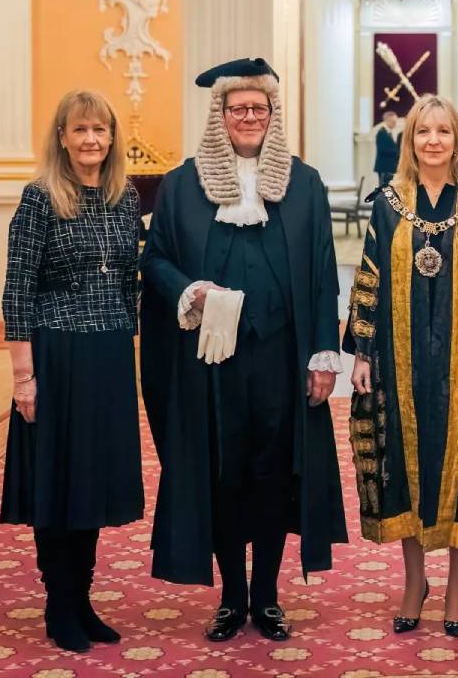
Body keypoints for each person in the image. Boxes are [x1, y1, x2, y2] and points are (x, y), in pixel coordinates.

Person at [139, 57, 347, 644]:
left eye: (259, 108)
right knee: (222, 473)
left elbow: (323, 274)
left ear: (272, 114)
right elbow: (154, 260)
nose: (249, 117)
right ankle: (233, 596)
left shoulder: (304, 184)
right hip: (211, 362)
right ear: (221, 115)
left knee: (275, 474)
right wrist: (190, 291)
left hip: (282, 357)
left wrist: (324, 355)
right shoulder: (182, 185)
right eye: (238, 109)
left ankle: (268, 597)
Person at [344, 94, 458, 638]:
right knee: (404, 458)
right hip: (400, 359)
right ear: (409, 141)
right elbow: (368, 279)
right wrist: (362, 353)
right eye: (423, 131)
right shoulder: (389, 204)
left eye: (444, 131)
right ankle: (414, 581)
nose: (433, 140)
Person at [0, 89, 144, 653]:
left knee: (93, 481)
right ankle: (59, 603)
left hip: (109, 354)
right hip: (57, 355)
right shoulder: (40, 198)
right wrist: (24, 376)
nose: (90, 139)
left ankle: (82, 599)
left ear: (112, 137)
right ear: (62, 137)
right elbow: (17, 289)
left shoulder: (124, 197)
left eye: (99, 129)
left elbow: (132, 277)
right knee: (58, 480)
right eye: (80, 129)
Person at [374, 109, 402, 187]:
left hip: (389, 167)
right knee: (384, 188)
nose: (395, 124)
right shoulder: (381, 133)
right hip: (384, 167)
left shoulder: (388, 132)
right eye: (394, 122)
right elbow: (383, 149)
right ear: (387, 120)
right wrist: (398, 152)